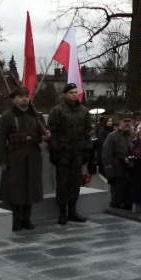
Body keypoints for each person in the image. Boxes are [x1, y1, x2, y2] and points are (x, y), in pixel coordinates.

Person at [0, 86, 47, 231]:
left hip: (33, 156)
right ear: (14, 99)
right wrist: (3, 161)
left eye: (26, 96)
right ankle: (16, 219)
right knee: (16, 189)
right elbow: (0, 140)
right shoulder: (8, 116)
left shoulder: (35, 115)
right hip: (15, 157)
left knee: (31, 188)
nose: (24, 98)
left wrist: (46, 136)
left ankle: (27, 218)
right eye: (20, 96)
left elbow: (43, 132)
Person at [47, 83, 92, 225]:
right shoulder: (57, 111)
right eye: (71, 92)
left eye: (75, 92)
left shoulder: (83, 111)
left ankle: (72, 211)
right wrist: (54, 150)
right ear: (65, 94)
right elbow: (52, 133)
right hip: (63, 153)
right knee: (62, 183)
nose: (74, 94)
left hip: (77, 153)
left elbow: (88, 132)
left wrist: (87, 150)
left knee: (75, 183)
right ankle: (62, 213)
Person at [103, 117, 133, 210]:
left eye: (129, 121)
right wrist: (110, 174)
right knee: (116, 198)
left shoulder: (134, 135)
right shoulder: (112, 136)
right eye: (125, 121)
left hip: (131, 171)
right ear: (120, 122)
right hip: (118, 172)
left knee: (129, 199)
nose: (127, 123)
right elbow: (106, 154)